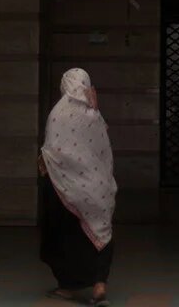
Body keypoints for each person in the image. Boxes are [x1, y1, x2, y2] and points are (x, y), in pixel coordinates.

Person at [39, 69, 117, 306]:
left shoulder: (57, 113)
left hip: (65, 189)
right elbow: (104, 151)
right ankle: (100, 283)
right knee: (101, 231)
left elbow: (53, 151)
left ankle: (68, 287)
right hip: (97, 187)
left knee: (67, 234)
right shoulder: (94, 114)